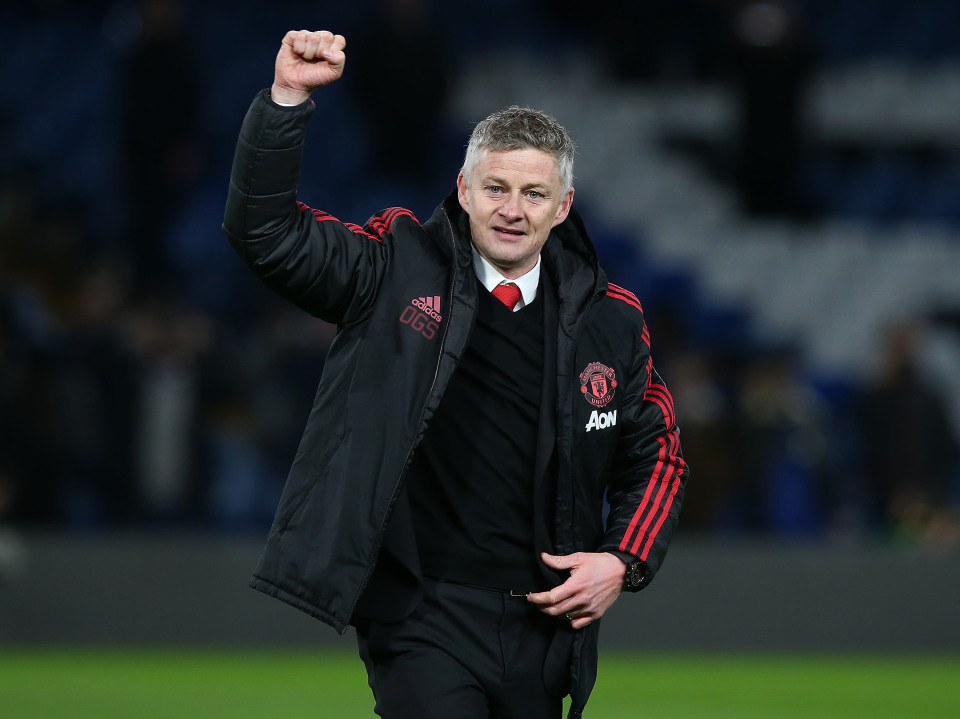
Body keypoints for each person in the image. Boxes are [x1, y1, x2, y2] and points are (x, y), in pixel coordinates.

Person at [223, 30, 688, 719]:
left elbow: (657, 454)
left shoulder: (610, 320)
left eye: (534, 193)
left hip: (543, 625)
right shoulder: (394, 267)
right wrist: (287, 100)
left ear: (562, 207)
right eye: (496, 187)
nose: (513, 209)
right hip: (422, 616)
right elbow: (266, 233)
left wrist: (622, 560)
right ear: (464, 190)